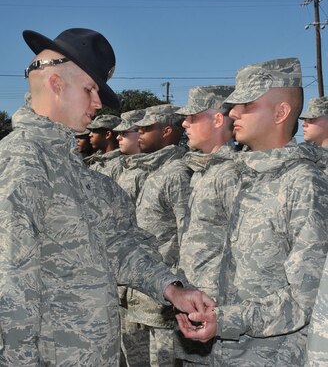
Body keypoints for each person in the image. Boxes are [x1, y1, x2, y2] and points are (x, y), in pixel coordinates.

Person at [0, 27, 215, 366]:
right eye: (90, 89)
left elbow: (116, 244)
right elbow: (9, 288)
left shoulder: (75, 170)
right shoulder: (22, 163)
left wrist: (172, 289)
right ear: (56, 85)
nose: (98, 103)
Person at [176, 57, 328, 366]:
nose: (232, 112)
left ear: (280, 112)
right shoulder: (231, 175)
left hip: (271, 355)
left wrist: (229, 320)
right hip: (215, 351)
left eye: (246, 105)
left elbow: (307, 297)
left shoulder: (304, 184)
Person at [122, 104, 191, 367]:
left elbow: (187, 232)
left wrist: (180, 284)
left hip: (164, 292)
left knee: (162, 360)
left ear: (166, 131)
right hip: (141, 289)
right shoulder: (152, 170)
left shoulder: (176, 173)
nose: (139, 132)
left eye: (146, 128)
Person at [174, 85, 238, 366]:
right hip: (195, 304)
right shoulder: (203, 170)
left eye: (193, 116)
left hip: (217, 310)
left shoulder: (231, 173)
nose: (185, 123)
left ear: (217, 119)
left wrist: (223, 312)